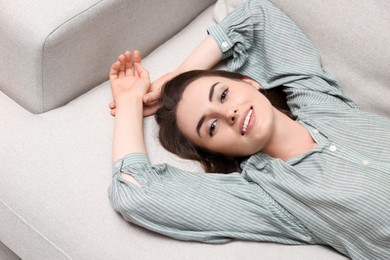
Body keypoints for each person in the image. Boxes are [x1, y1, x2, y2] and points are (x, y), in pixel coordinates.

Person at [108, 0, 390, 259]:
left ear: (249, 82)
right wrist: (129, 103)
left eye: (223, 95)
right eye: (212, 126)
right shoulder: (270, 196)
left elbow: (257, 16)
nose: (228, 113)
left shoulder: (319, 102)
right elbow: (137, 193)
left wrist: (179, 77)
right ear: (215, 151)